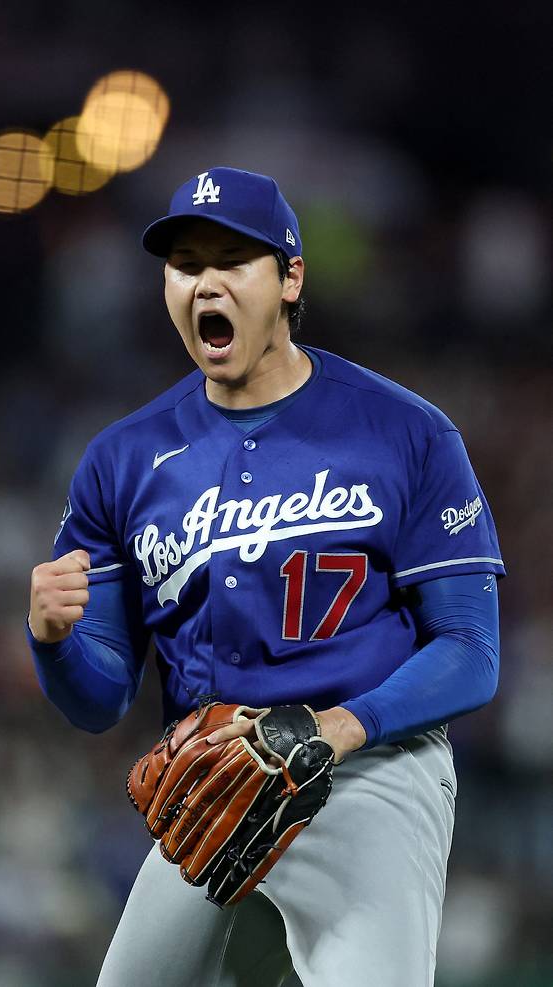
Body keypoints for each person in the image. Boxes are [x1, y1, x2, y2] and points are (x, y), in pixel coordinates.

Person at [26, 166, 505, 987]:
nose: (205, 281)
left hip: (374, 769)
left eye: (233, 260)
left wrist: (341, 728)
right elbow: (99, 700)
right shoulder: (124, 459)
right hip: (216, 787)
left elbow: (472, 648)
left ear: (290, 278)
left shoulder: (406, 432)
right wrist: (52, 640)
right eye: (184, 265)